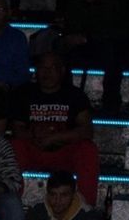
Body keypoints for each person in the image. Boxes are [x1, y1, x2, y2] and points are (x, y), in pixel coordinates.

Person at [9, 52, 100, 208]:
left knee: (88, 149)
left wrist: (57, 137)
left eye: (53, 68)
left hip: (64, 152)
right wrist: (34, 134)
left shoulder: (74, 95)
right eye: (43, 67)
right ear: (36, 70)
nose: (47, 72)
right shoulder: (23, 93)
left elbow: (87, 131)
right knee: (13, 146)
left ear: (62, 71)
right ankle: (10, 202)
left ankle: (85, 208)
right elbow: (16, 129)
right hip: (34, 149)